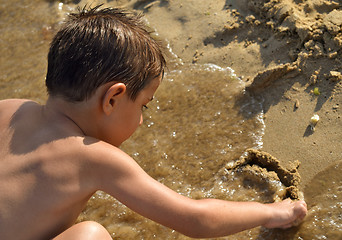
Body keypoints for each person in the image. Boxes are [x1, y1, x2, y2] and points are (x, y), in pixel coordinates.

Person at [0, 5, 307, 240]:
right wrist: (272, 212)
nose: (143, 120)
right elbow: (195, 219)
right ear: (112, 99)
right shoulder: (92, 157)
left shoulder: (10, 110)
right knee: (89, 235)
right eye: (144, 105)